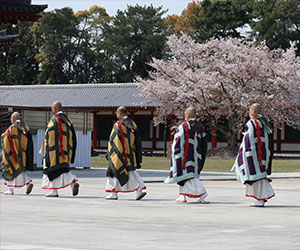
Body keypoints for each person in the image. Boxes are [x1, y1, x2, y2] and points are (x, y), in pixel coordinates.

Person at [232, 103, 275, 207]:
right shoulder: (265, 123)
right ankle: (263, 196)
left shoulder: (251, 123)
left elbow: (247, 140)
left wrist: (242, 153)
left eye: (250, 110)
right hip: (263, 153)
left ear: (253, 112)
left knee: (256, 176)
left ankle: (260, 199)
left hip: (253, 154)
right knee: (261, 176)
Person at [165, 107, 209, 203]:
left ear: (188, 115)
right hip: (196, 157)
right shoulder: (200, 127)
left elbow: (178, 141)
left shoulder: (183, 126)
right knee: (186, 176)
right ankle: (182, 195)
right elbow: (204, 144)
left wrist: (175, 152)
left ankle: (202, 192)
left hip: (185, 156)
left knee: (189, 175)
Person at [105, 106, 146, 200]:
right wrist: (138, 157)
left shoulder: (118, 125)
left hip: (119, 155)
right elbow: (138, 142)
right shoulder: (133, 124)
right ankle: (139, 189)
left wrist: (110, 154)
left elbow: (114, 141)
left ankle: (113, 193)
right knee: (131, 172)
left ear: (119, 114)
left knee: (111, 172)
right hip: (130, 154)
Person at [41, 101, 79, 197]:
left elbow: (49, 136)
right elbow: (73, 137)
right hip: (66, 151)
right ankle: (72, 182)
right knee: (63, 169)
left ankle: (54, 191)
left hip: (55, 152)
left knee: (53, 170)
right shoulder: (67, 120)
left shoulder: (55, 120)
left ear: (54, 109)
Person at [1, 112, 34, 195]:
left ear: (13, 119)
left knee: (9, 171)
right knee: (19, 171)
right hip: (22, 154)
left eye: (11, 118)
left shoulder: (12, 128)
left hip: (12, 155)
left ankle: (11, 189)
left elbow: (6, 140)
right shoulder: (25, 127)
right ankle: (27, 183)